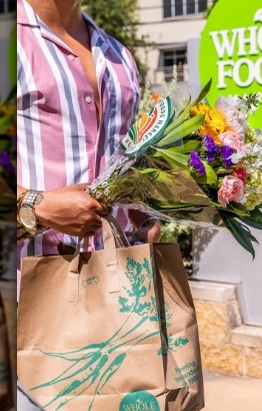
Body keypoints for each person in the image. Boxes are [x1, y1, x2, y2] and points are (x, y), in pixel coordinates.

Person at [16, 0, 160, 260]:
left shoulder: (120, 57)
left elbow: (123, 158)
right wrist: (38, 206)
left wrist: (145, 217)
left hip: (119, 274)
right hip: (36, 276)